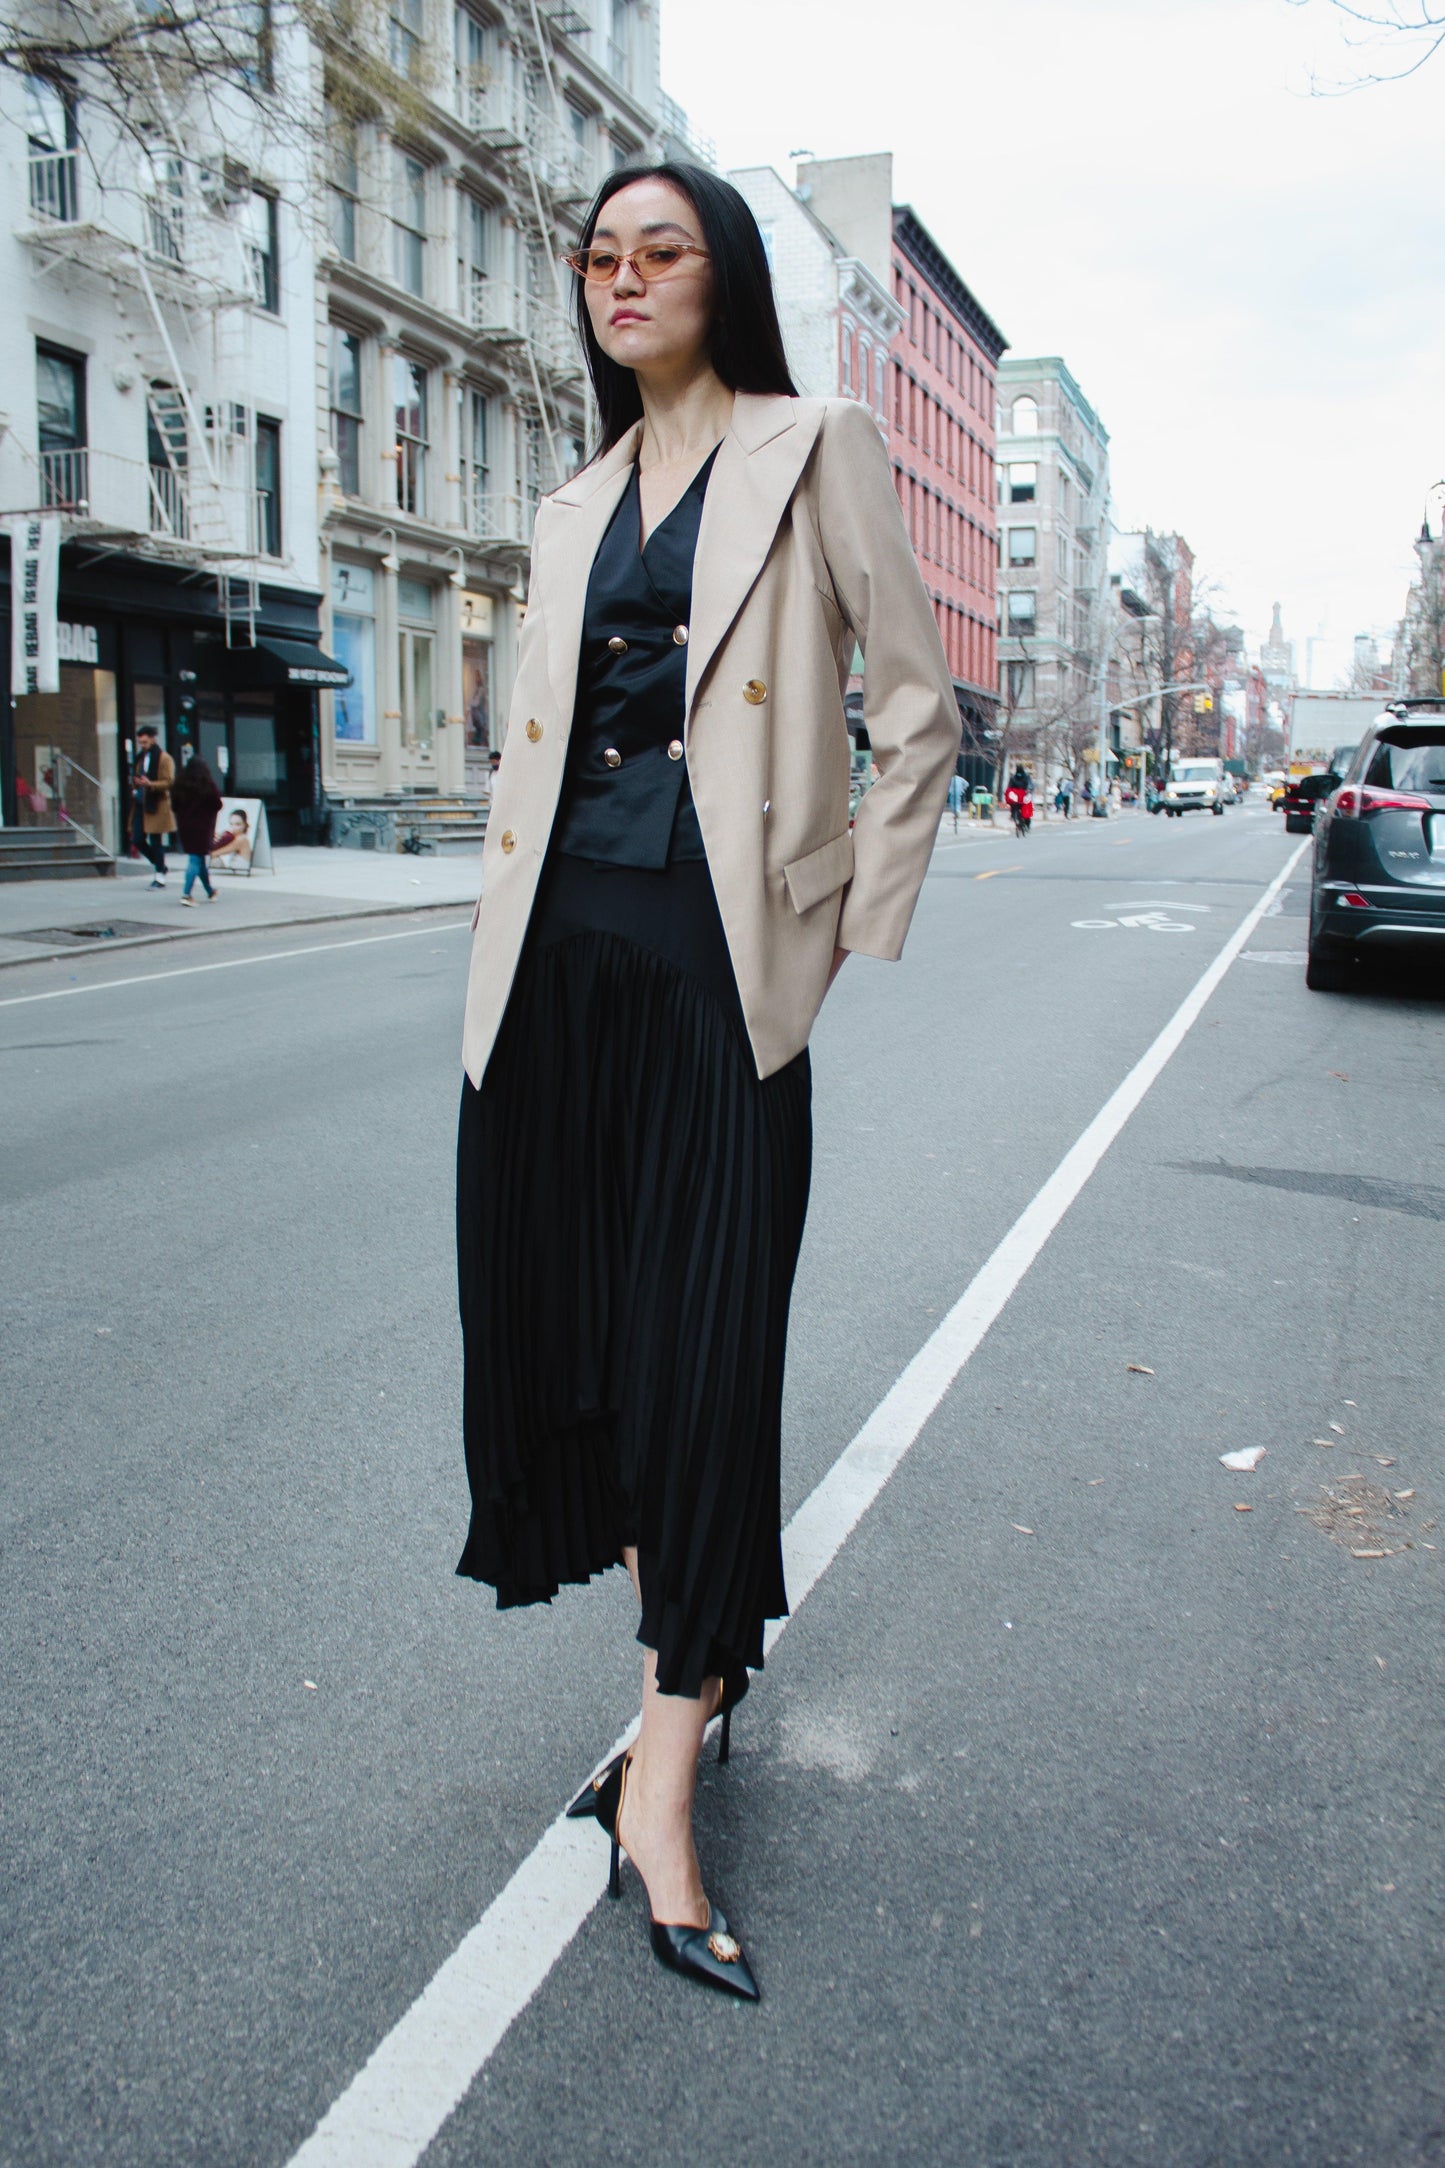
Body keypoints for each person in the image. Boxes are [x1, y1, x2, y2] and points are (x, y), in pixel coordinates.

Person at [456, 163, 958, 2002]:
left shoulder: (812, 447)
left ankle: (659, 1785)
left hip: (717, 976)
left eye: (659, 252)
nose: (624, 279)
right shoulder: (569, 497)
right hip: (549, 975)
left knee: (704, 1360)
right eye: (601, 257)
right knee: (583, 1352)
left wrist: (834, 941)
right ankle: (699, 1658)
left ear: (720, 276)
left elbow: (917, 710)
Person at [170, 756, 223, 904]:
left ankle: (210, 891)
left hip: (185, 826)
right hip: (203, 827)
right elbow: (217, 804)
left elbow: (174, 806)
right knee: (195, 859)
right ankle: (186, 894)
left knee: (199, 859)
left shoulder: (179, 784)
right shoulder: (207, 785)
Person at [131, 725, 174, 886]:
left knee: (156, 840)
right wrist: (136, 784)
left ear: (153, 739)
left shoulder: (164, 758)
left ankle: (159, 875)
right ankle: (160, 865)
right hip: (140, 803)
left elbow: (169, 782)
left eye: (145, 742)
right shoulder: (140, 758)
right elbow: (136, 776)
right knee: (137, 839)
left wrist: (150, 784)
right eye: (140, 743)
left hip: (156, 804)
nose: (142, 745)